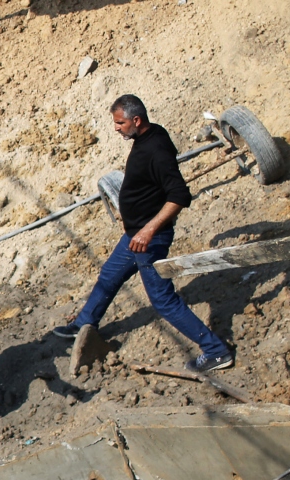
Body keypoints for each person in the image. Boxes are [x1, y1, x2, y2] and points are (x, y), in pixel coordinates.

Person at [54, 94, 232, 373]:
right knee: (110, 275)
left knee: (163, 300)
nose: (116, 128)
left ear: (136, 120)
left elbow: (180, 196)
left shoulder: (156, 150)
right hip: (134, 235)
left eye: (120, 123)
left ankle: (216, 351)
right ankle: (83, 323)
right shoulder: (149, 134)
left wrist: (148, 231)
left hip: (149, 239)